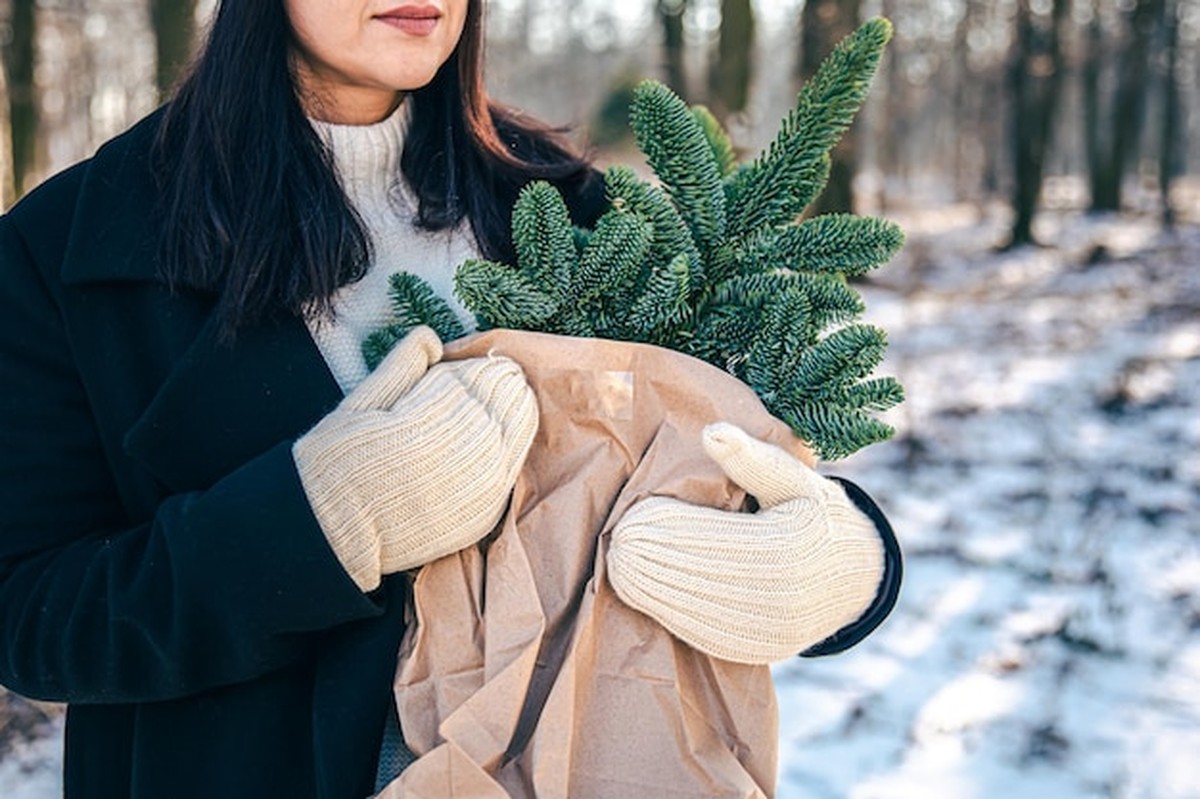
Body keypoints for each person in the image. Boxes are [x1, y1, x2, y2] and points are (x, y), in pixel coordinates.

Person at [0, 1, 900, 797]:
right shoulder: (71, 251)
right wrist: (325, 521)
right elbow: (31, 613)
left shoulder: (568, 209)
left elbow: (720, 447)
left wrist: (845, 564)